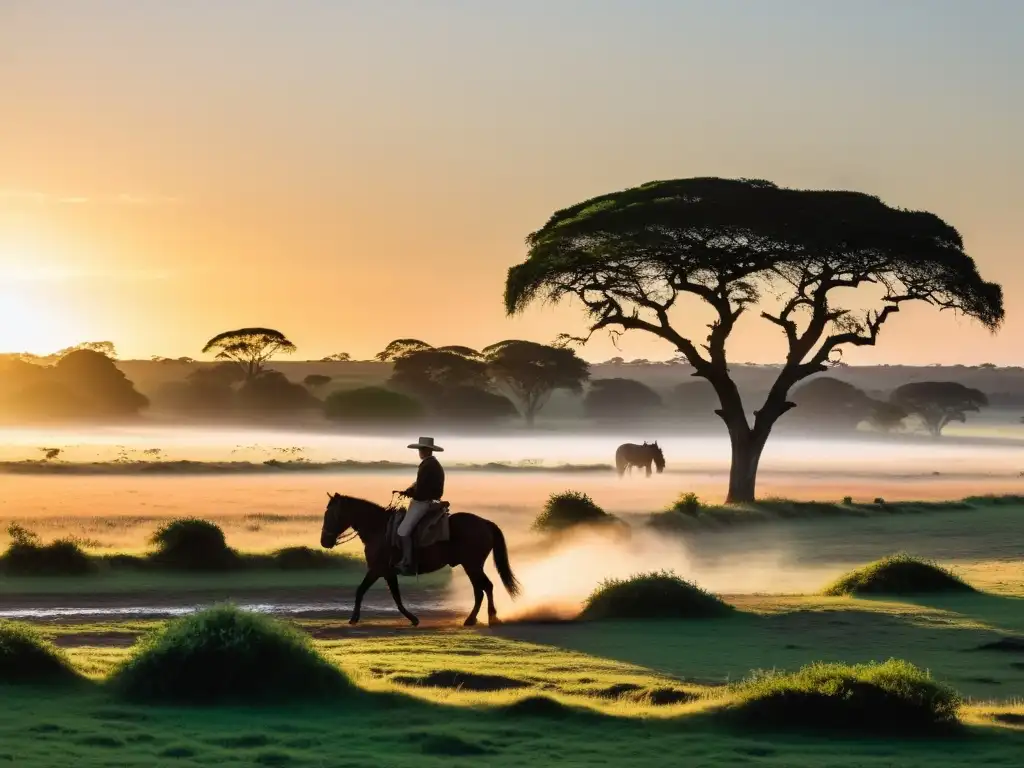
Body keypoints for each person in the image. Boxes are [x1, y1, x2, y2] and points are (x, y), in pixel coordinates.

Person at [394, 436, 445, 574]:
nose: (420, 451)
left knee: (403, 531)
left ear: (428, 450)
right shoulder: (430, 464)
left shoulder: (428, 465)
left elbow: (422, 489)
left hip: (424, 502)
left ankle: (407, 561)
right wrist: (408, 490)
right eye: (420, 449)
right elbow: (419, 483)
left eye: (422, 449)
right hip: (426, 500)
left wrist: (412, 494)